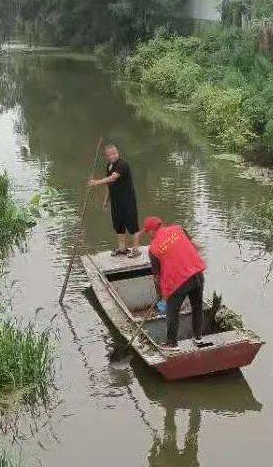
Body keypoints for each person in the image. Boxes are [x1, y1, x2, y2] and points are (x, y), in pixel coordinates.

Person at [142, 216, 206, 350]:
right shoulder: (178, 229)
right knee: (197, 307)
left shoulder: (153, 249)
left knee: (172, 312)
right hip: (197, 274)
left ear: (151, 231)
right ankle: (198, 337)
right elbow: (192, 244)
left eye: (148, 233)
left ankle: (171, 343)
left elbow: (157, 276)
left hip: (178, 282)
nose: (149, 236)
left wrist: (159, 294)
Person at [87, 143, 140, 258]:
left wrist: (95, 182)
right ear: (106, 156)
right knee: (118, 225)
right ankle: (122, 248)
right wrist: (106, 200)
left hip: (127, 200)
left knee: (132, 225)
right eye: (109, 155)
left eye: (114, 154)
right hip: (116, 201)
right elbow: (109, 184)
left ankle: (136, 250)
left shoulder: (122, 164)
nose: (112, 157)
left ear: (118, 153)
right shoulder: (109, 166)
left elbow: (113, 177)